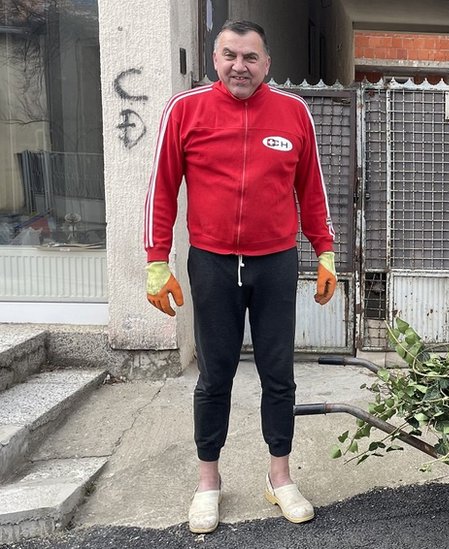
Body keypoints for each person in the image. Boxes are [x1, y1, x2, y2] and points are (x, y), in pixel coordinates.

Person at [142, 19, 337, 534]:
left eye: (250, 57)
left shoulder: (294, 113)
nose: (239, 66)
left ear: (267, 63)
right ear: (215, 59)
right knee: (214, 376)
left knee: (279, 375)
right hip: (211, 262)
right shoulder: (185, 111)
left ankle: (280, 475)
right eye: (229, 55)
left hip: (275, 263)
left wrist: (325, 250)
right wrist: (156, 259)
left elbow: (311, 189)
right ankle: (209, 480)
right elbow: (161, 189)